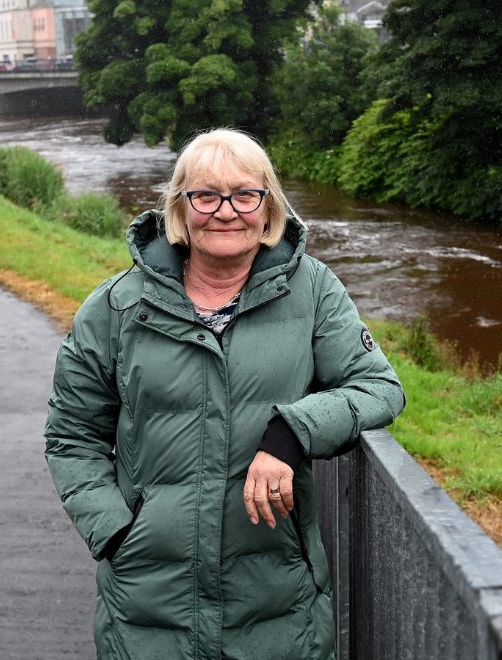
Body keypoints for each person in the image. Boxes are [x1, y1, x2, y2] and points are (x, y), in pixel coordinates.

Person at [44, 128, 404, 659]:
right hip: (148, 603)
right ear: (180, 208)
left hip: (277, 599)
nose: (226, 211)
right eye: (205, 195)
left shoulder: (312, 289)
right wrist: (118, 534)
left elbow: (379, 388)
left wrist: (292, 431)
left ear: (268, 206)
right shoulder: (117, 307)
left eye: (244, 194)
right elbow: (71, 436)